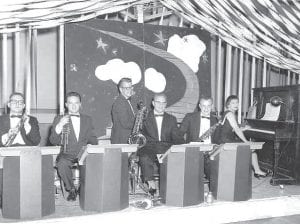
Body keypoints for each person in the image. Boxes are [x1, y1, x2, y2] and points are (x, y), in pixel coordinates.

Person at [49, 91, 97, 201]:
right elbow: (52, 140)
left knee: (94, 162)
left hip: (83, 153)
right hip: (67, 153)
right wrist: (60, 125)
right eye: (70, 103)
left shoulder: (87, 119)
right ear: (66, 104)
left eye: (76, 103)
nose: (74, 105)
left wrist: (90, 145)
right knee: (62, 163)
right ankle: (71, 189)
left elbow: (93, 138)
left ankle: (83, 188)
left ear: (80, 104)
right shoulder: (59, 118)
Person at [0, 92, 41, 207]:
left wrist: (28, 127)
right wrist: (6, 136)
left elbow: (36, 141)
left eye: (20, 102)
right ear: (8, 104)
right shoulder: (1, 119)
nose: (17, 104)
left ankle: (30, 203)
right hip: (5, 152)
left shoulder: (32, 120)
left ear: (24, 106)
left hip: (26, 151)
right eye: (14, 101)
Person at [137, 93, 182, 195]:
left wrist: (182, 147)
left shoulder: (172, 119)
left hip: (166, 147)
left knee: (175, 157)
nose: (161, 105)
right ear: (153, 103)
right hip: (150, 147)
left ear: (166, 104)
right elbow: (140, 137)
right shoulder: (144, 118)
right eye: (158, 102)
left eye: (163, 103)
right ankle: (151, 184)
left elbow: (177, 138)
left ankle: (171, 188)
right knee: (144, 157)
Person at [218, 95, 269, 178]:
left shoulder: (227, 113)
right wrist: (246, 141)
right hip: (226, 141)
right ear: (228, 105)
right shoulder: (230, 114)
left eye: (237, 102)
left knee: (251, 147)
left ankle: (257, 170)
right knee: (251, 147)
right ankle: (257, 170)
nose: (236, 105)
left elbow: (233, 129)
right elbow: (237, 130)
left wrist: (244, 128)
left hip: (225, 139)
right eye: (233, 103)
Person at [179, 97, 218, 178]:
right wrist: (183, 148)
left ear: (212, 106)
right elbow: (179, 134)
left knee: (215, 166)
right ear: (199, 106)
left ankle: (214, 187)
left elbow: (218, 138)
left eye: (208, 106)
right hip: (194, 149)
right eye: (203, 106)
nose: (206, 108)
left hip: (210, 150)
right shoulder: (190, 117)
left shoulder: (216, 120)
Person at [111, 77, 135, 144]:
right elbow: (126, 124)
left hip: (125, 139)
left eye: (130, 87)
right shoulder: (120, 103)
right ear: (120, 89)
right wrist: (139, 124)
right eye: (127, 88)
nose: (129, 90)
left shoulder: (126, 101)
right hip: (122, 141)